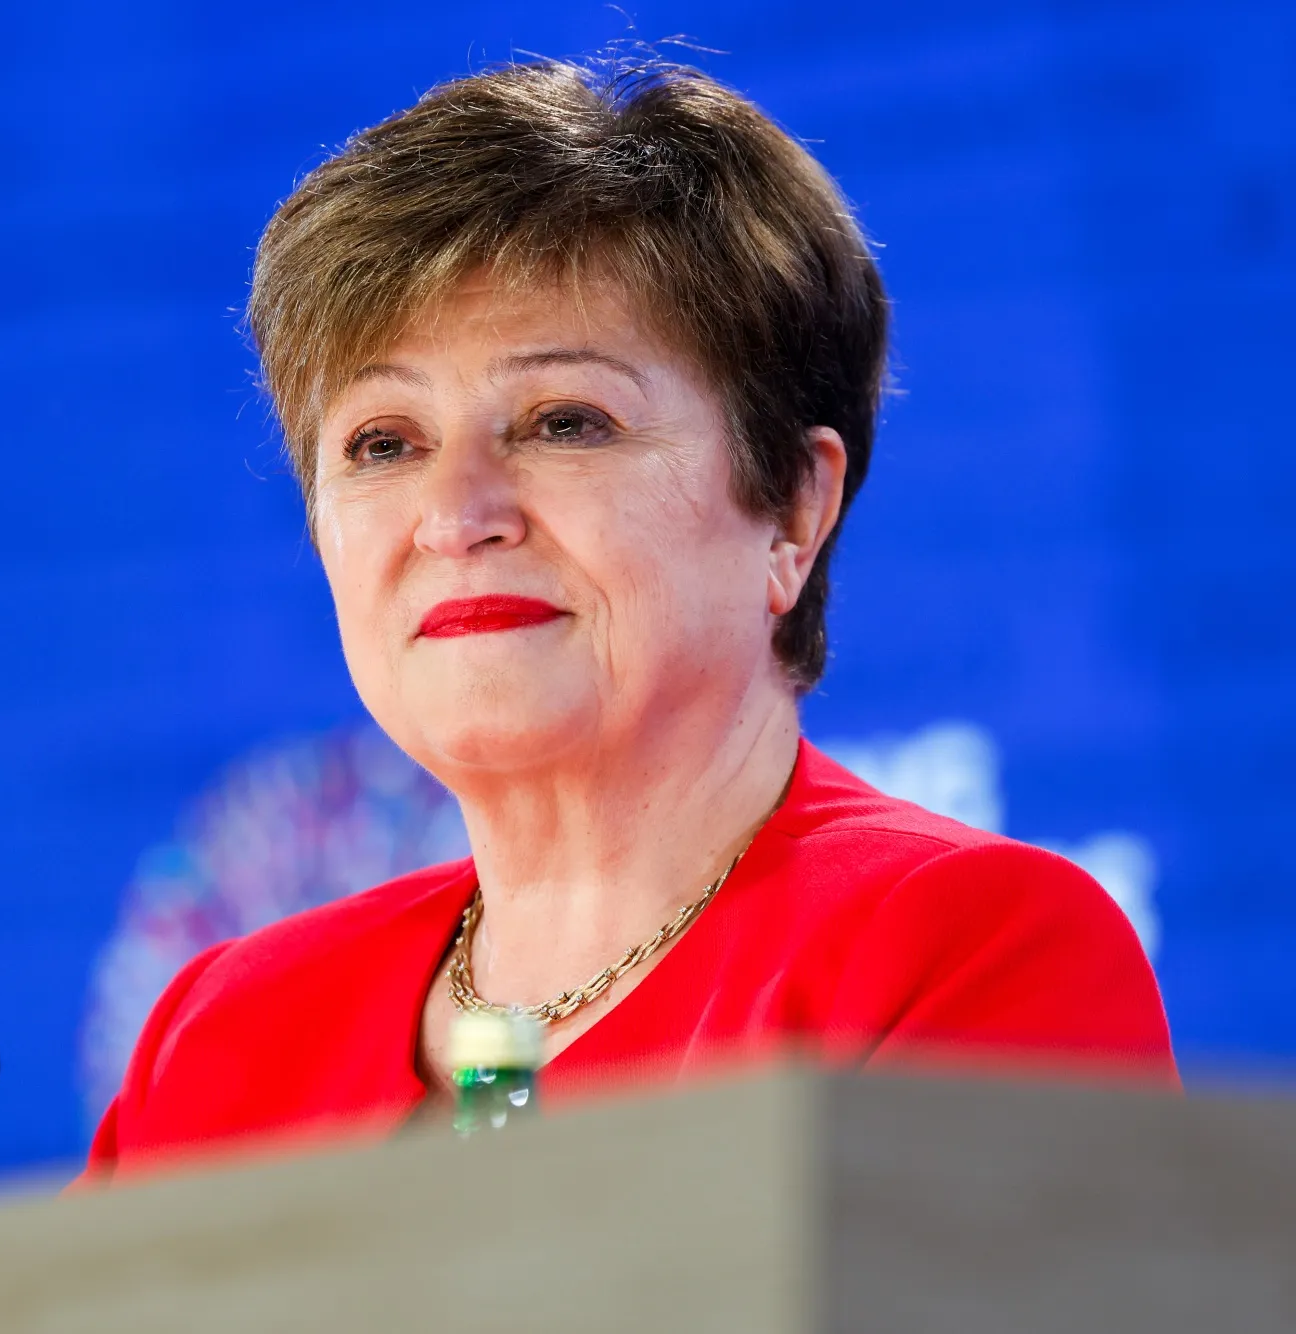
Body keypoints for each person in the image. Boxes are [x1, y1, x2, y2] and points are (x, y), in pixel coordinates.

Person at [81, 56, 1174, 1184]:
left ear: (791, 508)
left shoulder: (960, 945)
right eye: (383, 442)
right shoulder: (219, 1038)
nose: (454, 516)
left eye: (564, 421)